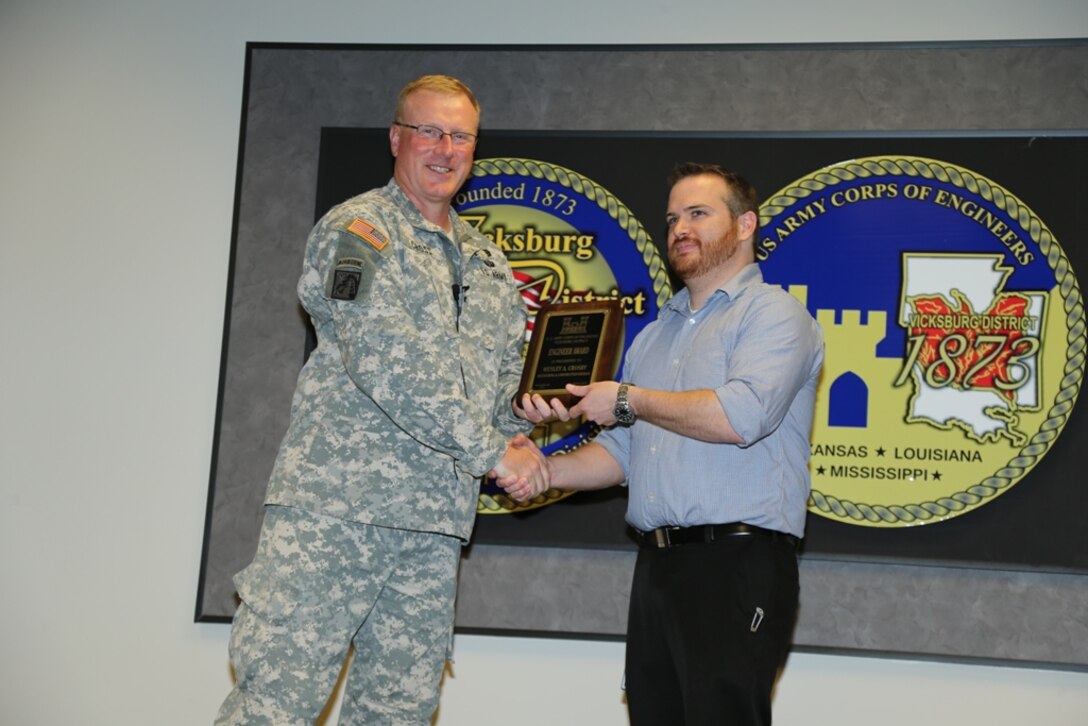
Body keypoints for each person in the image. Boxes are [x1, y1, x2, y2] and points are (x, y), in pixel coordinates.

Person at [216, 74, 547, 725]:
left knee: (398, 714)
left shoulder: (489, 263)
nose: (445, 149)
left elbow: (495, 394)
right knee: (274, 706)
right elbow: (386, 362)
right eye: (430, 131)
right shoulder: (358, 233)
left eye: (461, 136)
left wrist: (525, 418)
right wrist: (490, 452)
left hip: (430, 531)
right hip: (335, 515)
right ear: (397, 137)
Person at [508, 162, 824, 725]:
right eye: (673, 217)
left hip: (737, 561)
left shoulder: (775, 315)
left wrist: (629, 399)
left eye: (699, 214)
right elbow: (623, 454)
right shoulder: (655, 335)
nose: (680, 227)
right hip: (657, 565)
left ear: (746, 223)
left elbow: (742, 415)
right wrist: (545, 471)